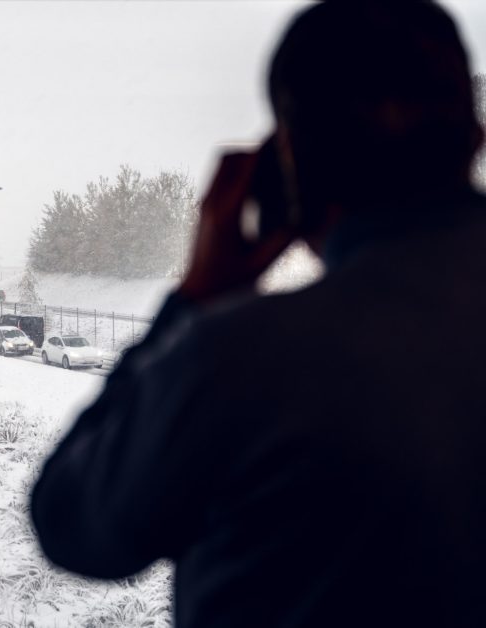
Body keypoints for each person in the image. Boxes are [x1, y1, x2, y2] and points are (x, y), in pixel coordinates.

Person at [31, 3, 486, 627]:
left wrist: (198, 294)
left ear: (288, 162)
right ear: (473, 138)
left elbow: (72, 521)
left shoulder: (244, 360)